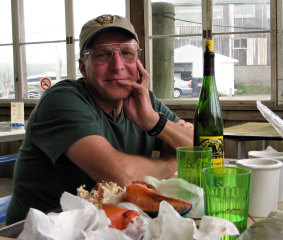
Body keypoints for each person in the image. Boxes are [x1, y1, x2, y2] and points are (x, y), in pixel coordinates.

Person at [6, 14, 193, 225]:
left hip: (105, 227)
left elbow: (207, 146)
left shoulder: (144, 101)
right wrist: (171, 162)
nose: (117, 65)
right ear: (83, 67)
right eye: (102, 54)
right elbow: (121, 175)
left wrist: (153, 121)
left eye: (126, 53)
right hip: (41, 231)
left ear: (138, 63)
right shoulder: (62, 99)